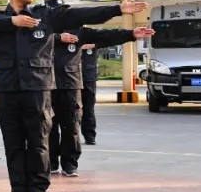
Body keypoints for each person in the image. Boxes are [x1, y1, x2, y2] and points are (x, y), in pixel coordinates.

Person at [0, 0, 149, 192]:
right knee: (13, 143)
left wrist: (117, 9)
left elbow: (81, 14)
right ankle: (17, 191)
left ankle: (37, 191)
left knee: (38, 141)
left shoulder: (46, 16)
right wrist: (12, 22)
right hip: (9, 89)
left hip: (38, 87)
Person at [47, 14, 148, 176]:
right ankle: (51, 163)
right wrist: (58, 38)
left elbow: (105, 35)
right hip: (47, 86)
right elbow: (24, 37)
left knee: (71, 126)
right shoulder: (44, 30)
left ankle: (70, 164)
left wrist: (131, 34)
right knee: (49, 127)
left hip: (71, 85)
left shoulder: (79, 32)